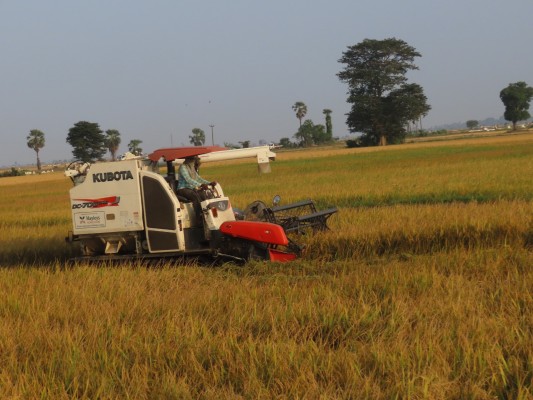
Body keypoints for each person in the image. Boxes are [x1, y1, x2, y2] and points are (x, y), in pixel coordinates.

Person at [176, 156, 216, 226]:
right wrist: (200, 185)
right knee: (195, 196)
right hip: (182, 189)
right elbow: (188, 179)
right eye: (193, 159)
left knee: (203, 195)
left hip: (190, 188)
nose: (194, 161)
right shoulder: (183, 167)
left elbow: (198, 178)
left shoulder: (191, 168)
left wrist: (209, 183)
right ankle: (199, 219)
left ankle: (207, 216)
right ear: (189, 159)